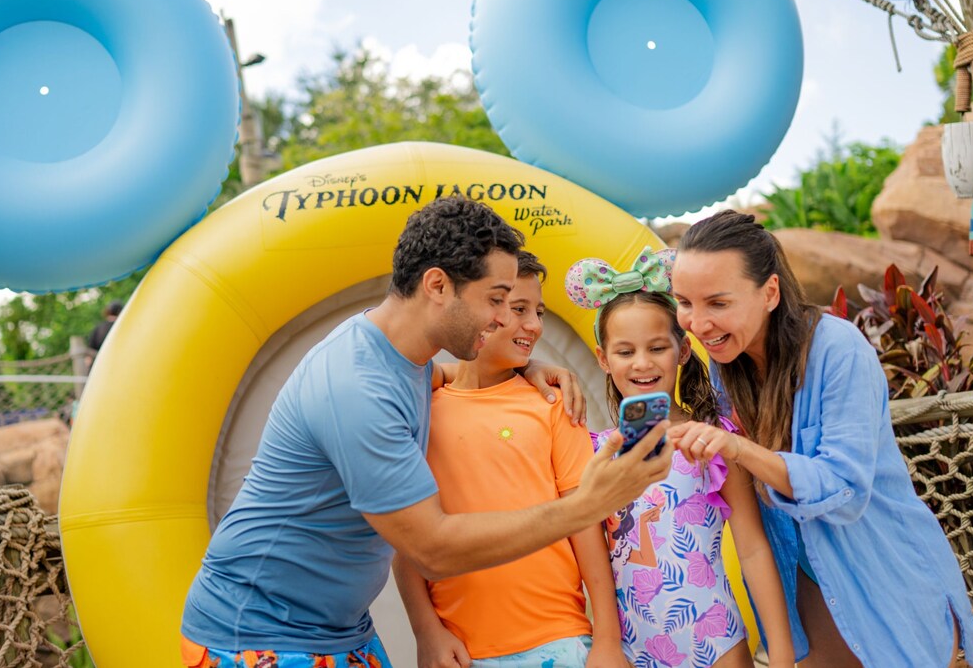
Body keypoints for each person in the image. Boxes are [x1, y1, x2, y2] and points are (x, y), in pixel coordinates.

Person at [180, 196, 673, 668]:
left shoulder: (404, 355)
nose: (505, 318)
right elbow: (433, 549)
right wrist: (587, 505)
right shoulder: (357, 388)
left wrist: (526, 367)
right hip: (259, 635)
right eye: (496, 300)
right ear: (438, 286)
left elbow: (447, 376)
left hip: (340, 630)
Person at [665, 211, 973, 668]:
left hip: (885, 571)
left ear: (770, 292)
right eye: (685, 302)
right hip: (806, 583)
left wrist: (739, 448)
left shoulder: (838, 348)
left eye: (717, 303)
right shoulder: (723, 365)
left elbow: (843, 488)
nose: (697, 323)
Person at [393, 250, 626, 668]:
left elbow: (587, 526)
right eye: (518, 309)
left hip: (558, 642)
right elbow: (406, 539)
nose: (535, 326)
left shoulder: (554, 403)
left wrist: (607, 640)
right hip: (460, 651)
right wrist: (426, 631)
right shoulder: (420, 406)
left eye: (538, 311)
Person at [565, 249, 794, 668]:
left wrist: (781, 655)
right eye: (625, 351)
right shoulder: (591, 452)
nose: (642, 363)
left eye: (657, 348)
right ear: (603, 359)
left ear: (683, 351)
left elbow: (753, 549)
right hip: (630, 651)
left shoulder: (714, 441)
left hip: (717, 642)